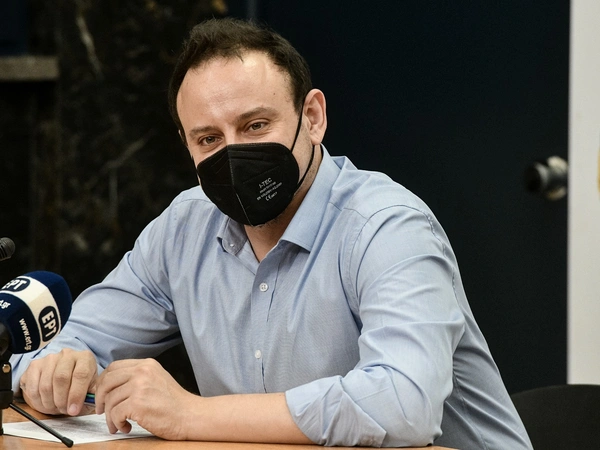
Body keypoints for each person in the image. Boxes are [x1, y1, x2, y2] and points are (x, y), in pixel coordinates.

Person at [10, 17, 532, 449]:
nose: (233, 155)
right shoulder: (185, 227)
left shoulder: (386, 226)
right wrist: (59, 369)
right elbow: (68, 342)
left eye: (255, 126)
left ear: (313, 117)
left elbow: (403, 405)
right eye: (208, 139)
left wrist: (189, 415)